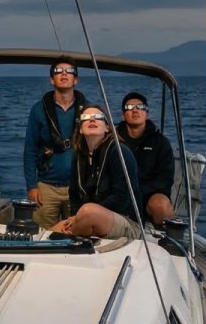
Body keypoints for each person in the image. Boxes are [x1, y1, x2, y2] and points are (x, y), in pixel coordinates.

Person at [50, 105, 142, 241]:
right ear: (80, 129)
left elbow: (122, 198)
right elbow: (74, 195)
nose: (92, 120)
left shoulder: (119, 152)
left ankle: (70, 242)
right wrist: (75, 216)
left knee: (89, 211)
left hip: (126, 221)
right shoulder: (79, 155)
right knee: (52, 231)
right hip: (86, 217)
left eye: (98, 117)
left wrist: (80, 216)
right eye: (86, 118)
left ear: (107, 128)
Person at [23, 56, 87, 229]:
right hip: (46, 188)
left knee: (77, 235)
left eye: (69, 71)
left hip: (78, 186)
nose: (64, 74)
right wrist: (31, 186)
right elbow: (30, 149)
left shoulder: (88, 110)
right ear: (52, 80)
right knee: (41, 235)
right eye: (58, 71)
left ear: (76, 80)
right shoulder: (38, 110)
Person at [116, 91, 176, 227]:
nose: (135, 110)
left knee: (161, 204)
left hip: (148, 195)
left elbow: (165, 179)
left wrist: (138, 192)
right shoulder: (112, 140)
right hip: (117, 193)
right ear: (123, 115)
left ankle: (169, 240)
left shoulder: (160, 142)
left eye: (140, 107)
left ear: (147, 114)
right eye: (130, 108)